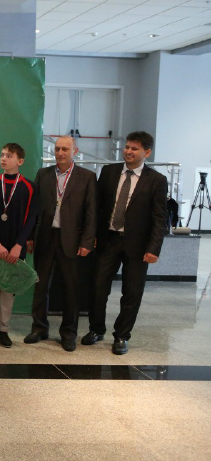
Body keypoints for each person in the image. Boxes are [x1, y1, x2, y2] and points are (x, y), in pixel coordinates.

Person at [82, 131, 167, 355]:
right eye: (127, 147)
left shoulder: (156, 180)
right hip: (108, 240)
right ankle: (96, 329)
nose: (128, 151)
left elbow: (160, 218)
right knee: (98, 288)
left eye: (134, 148)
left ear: (147, 152)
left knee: (131, 293)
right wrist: (92, 236)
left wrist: (154, 248)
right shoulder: (109, 172)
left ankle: (121, 336)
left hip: (138, 246)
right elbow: (97, 207)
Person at [24, 137, 96, 352]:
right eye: (57, 149)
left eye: (65, 149)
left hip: (72, 240)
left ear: (75, 151)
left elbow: (91, 212)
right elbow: (34, 208)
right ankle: (39, 328)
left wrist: (87, 241)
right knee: (40, 286)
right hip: (45, 237)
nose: (60, 153)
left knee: (71, 288)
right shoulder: (43, 174)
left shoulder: (87, 177)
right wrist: (30, 236)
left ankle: (69, 333)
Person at [0, 143, 39, 348]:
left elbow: (31, 219)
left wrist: (19, 245)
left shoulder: (29, 187)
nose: (4, 158)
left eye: (9, 156)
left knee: (8, 290)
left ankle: (3, 330)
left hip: (15, 247)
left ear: (20, 161)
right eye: (2, 154)